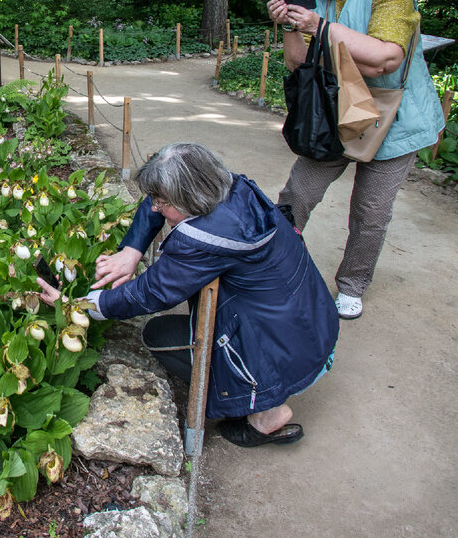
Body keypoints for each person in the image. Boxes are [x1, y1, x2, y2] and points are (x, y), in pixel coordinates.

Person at [39, 143, 339, 448]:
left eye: (162, 202)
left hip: (285, 353)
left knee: (160, 336)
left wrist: (80, 306)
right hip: (315, 328)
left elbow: (151, 292)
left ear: (188, 198)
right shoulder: (228, 187)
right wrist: (132, 250)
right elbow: (160, 198)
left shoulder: (205, 240)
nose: (155, 207)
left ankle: (265, 411)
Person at [267, 0, 444, 320]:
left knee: (371, 211)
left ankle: (351, 285)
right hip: (332, 117)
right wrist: (293, 25)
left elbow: (385, 59)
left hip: (392, 121)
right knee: (298, 195)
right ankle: (269, 264)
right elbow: (297, 63)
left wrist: (320, 31)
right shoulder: (314, 2)